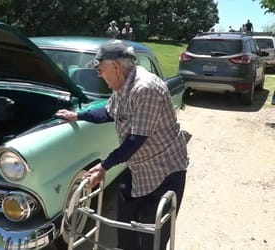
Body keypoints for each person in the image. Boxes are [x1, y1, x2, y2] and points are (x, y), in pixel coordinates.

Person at [55, 40, 189, 250]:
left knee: (152, 240)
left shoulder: (145, 88)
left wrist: (104, 166)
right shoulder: (121, 86)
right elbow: (108, 113)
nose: (99, 74)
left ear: (115, 66)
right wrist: (77, 115)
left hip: (165, 172)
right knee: (125, 233)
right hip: (138, 169)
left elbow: (136, 140)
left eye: (100, 69)